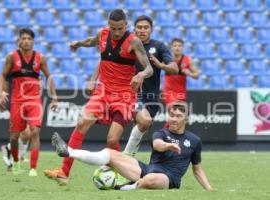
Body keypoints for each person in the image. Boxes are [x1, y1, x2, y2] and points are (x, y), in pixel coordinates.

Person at [44, 9, 153, 185]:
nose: (116, 32)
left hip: (124, 96)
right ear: (108, 25)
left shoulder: (134, 41)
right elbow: (91, 42)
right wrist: (78, 44)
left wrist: (140, 75)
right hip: (102, 92)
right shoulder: (103, 34)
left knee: (112, 140)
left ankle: (122, 174)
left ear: (126, 26)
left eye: (120, 28)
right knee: (82, 123)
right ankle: (64, 172)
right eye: (113, 28)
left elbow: (149, 68)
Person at [51, 101, 213, 191]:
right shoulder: (162, 133)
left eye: (178, 116)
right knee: (109, 153)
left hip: (170, 178)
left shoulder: (194, 140)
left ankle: (124, 189)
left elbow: (197, 169)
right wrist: (168, 146)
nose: (174, 119)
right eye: (172, 115)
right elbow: (157, 145)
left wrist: (209, 189)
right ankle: (69, 151)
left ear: (186, 119)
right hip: (148, 168)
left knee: (151, 180)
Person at [0, 28, 58, 176]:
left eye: (29, 38)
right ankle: (16, 162)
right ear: (19, 41)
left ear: (33, 41)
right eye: (23, 38)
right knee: (15, 136)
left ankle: (33, 169)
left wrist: (54, 97)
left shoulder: (40, 58)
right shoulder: (12, 57)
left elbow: (49, 76)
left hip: (34, 101)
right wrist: (0, 93)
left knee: (34, 131)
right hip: (17, 101)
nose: (26, 41)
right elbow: (3, 75)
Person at [122, 15, 178, 158]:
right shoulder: (128, 45)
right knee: (144, 121)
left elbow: (174, 68)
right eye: (139, 27)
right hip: (131, 94)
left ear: (151, 30)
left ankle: (128, 155)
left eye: (145, 27)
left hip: (151, 98)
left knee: (144, 125)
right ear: (134, 29)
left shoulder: (158, 46)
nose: (142, 30)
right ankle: (126, 156)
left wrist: (161, 65)